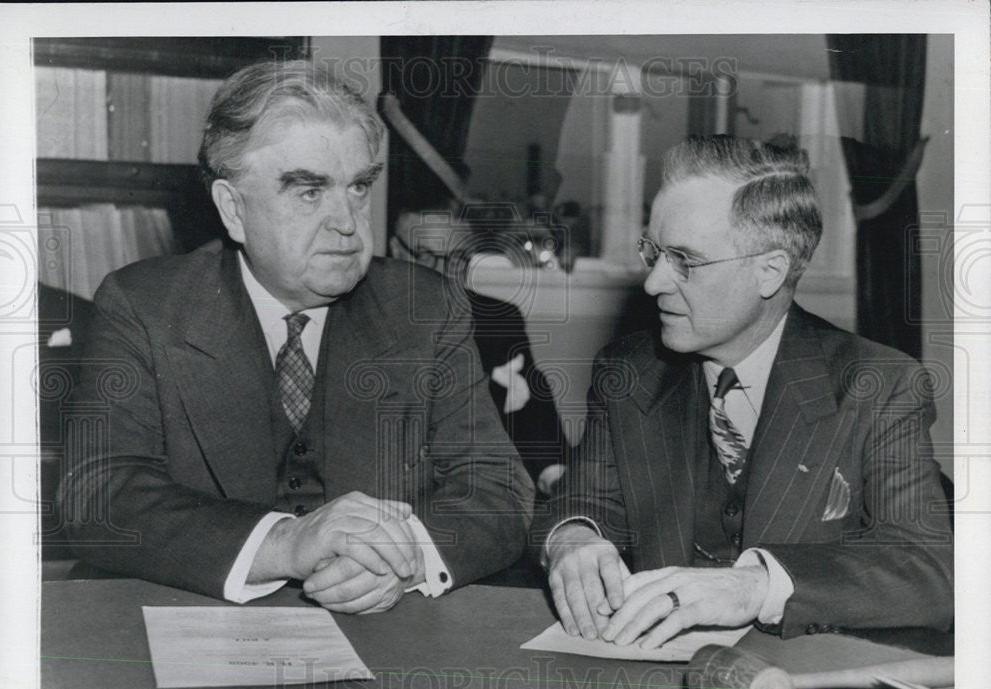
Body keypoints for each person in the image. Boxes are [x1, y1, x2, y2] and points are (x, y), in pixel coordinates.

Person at [59, 60, 534, 614]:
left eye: (358, 187)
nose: (348, 223)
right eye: (309, 192)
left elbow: (499, 488)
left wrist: (405, 561)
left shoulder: (426, 307)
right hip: (201, 628)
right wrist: (284, 543)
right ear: (232, 210)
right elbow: (97, 495)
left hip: (386, 640)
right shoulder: (145, 305)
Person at [531, 135, 953, 645]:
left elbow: (930, 571)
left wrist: (756, 585)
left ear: (770, 271)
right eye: (654, 252)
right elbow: (583, 499)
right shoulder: (629, 371)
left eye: (685, 260)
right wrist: (573, 538)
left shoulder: (879, 385)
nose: (654, 283)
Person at [388, 207, 570, 497]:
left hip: (477, 490)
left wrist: (555, 476)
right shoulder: (370, 319)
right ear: (396, 250)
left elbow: (534, 414)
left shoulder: (499, 318)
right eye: (426, 256)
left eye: (458, 259)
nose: (442, 272)